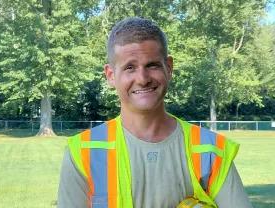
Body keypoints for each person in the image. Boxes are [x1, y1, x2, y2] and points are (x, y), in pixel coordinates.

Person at [57, 17, 252, 208]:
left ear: (169, 67)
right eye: (130, 67)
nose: (142, 78)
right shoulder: (83, 152)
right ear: (110, 76)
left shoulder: (210, 150)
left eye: (152, 65)